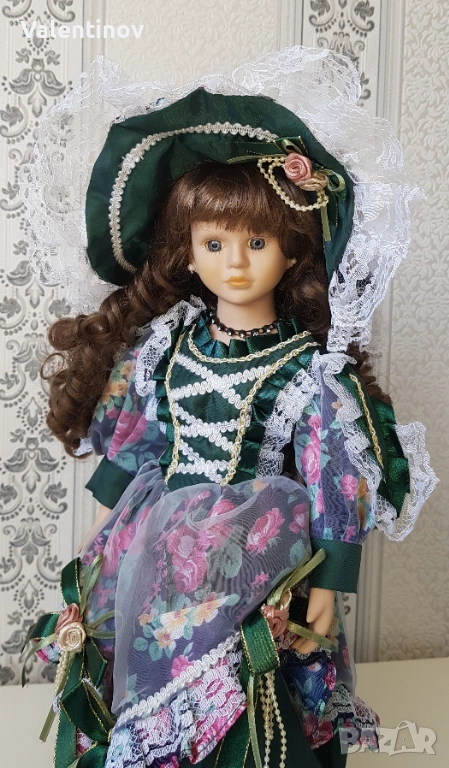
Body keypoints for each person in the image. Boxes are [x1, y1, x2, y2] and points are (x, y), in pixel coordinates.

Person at [20, 49, 437, 768]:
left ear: (292, 251)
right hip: (157, 542)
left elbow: (333, 476)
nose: (234, 263)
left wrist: (330, 582)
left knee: (251, 684)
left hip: (253, 552)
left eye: (257, 242)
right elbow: (137, 441)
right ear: (187, 251)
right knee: (138, 663)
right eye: (214, 243)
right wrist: (103, 537)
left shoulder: (306, 371)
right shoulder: (166, 346)